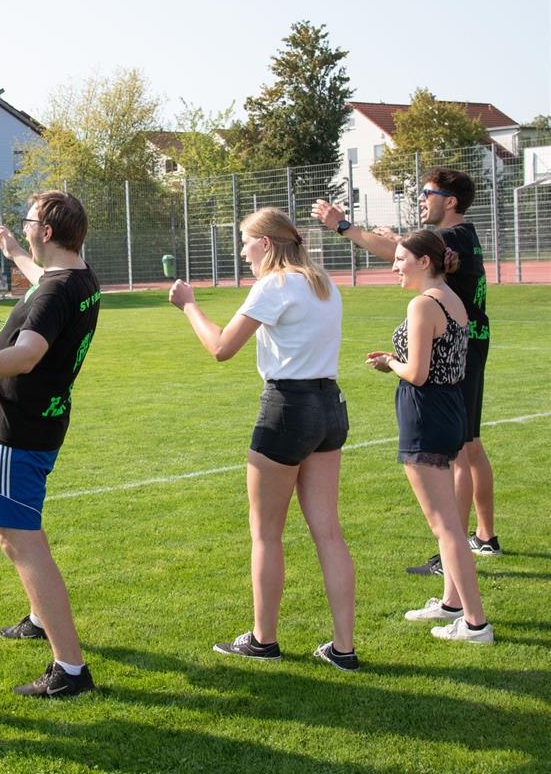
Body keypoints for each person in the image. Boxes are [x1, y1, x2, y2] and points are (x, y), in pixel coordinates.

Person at [168, 208, 358, 671]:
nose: (242, 251)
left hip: (288, 409)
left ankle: (263, 640)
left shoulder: (275, 283)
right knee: (328, 532)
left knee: (266, 533)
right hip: (330, 408)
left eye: (246, 242)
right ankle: (344, 648)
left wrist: (189, 304)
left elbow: (220, 348)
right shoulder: (322, 283)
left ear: (268, 244)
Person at [0, 191, 101, 697]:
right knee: (20, 533)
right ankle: (39, 617)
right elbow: (43, 281)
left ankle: (69, 670)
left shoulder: (56, 292)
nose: (23, 225)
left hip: (19, 429)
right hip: (40, 423)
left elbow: (28, 353)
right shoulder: (76, 277)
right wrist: (14, 251)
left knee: (18, 539)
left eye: (27, 222)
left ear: (47, 231)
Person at [313, 167, 499, 575]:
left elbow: (406, 252)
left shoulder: (450, 238)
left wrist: (343, 225)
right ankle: (482, 537)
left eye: (428, 193)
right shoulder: (461, 235)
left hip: (457, 345)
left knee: (458, 449)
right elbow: (406, 248)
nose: (421, 198)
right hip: (471, 340)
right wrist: (393, 239)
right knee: (469, 442)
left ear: (450, 201)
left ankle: (457, 544)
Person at [367, 230, 493, 643]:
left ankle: (475, 623)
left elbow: (417, 372)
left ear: (425, 262)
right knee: (449, 523)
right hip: (449, 409)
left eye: (401, 258)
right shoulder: (452, 298)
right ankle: (451, 603)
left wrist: (389, 360)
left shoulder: (423, 304)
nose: (394, 266)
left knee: (445, 527)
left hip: (427, 414)